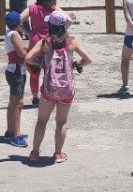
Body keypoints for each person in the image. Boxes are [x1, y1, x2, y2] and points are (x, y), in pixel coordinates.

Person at [25, 10, 92, 163]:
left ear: (49, 25)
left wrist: (41, 63)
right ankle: (58, 153)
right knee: (61, 122)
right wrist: (76, 65)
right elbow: (88, 59)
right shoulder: (72, 42)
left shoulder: (45, 42)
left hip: (49, 88)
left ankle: (35, 152)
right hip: (66, 90)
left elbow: (28, 58)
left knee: (42, 121)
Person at [20, 0, 62, 106]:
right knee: (50, 70)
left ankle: (35, 97)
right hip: (49, 41)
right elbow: (65, 18)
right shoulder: (53, 8)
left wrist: (27, 32)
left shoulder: (32, 8)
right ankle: (50, 95)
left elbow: (17, 20)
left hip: (35, 41)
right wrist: (59, 32)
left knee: (34, 72)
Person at [2, 11, 28, 147]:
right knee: (19, 102)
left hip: (13, 70)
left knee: (12, 101)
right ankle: (16, 135)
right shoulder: (14, 35)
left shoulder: (8, 33)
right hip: (17, 70)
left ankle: (10, 130)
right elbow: (22, 53)